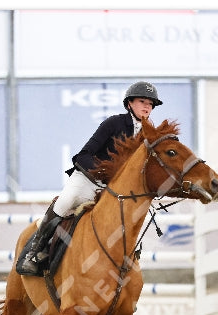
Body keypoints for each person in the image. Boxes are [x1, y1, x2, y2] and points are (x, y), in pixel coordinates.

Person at [16, 81, 163, 276]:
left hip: (113, 189)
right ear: (129, 104)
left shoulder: (149, 133)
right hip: (88, 180)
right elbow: (83, 155)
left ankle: (126, 260)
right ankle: (34, 251)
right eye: (142, 101)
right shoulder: (114, 123)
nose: (147, 107)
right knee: (65, 201)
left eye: (150, 104)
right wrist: (103, 172)